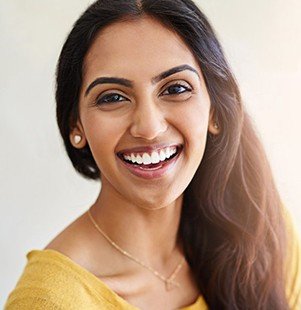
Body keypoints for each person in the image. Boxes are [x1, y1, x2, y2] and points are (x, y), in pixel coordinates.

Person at [4, 0, 301, 309]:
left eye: (175, 89)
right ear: (74, 125)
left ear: (215, 111)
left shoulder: (261, 231)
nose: (149, 127)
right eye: (113, 97)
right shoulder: (49, 301)